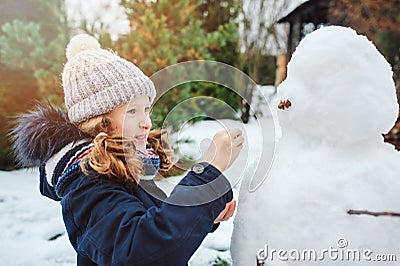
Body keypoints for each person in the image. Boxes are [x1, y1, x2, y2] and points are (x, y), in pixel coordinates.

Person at [11, 34, 244, 265]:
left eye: (146, 110)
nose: (146, 122)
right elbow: (144, 251)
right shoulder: (87, 184)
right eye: (132, 112)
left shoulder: (124, 167)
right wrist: (207, 175)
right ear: (98, 121)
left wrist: (203, 210)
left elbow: (155, 220)